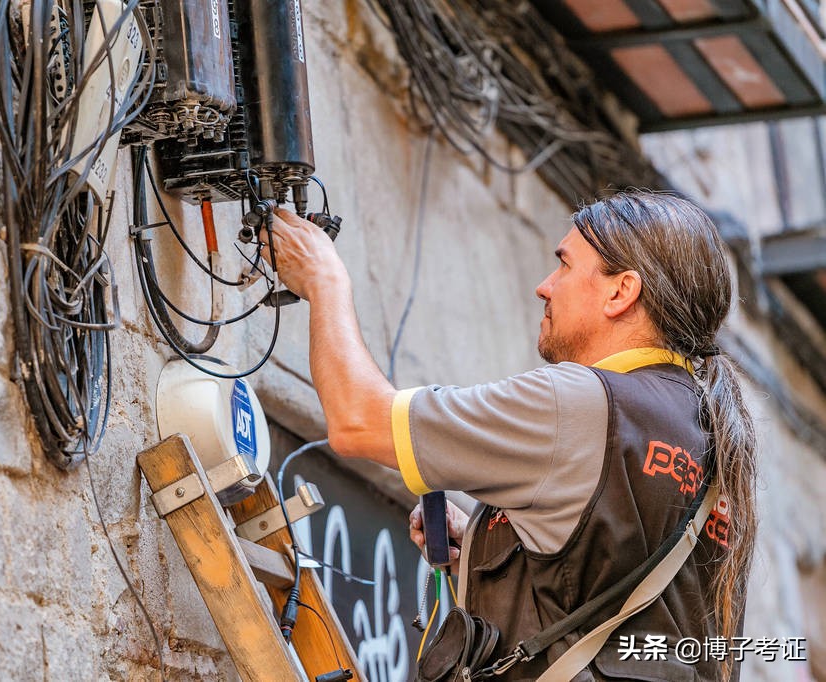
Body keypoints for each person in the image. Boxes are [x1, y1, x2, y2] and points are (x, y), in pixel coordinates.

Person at [260, 190, 756, 681]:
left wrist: (325, 281)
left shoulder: (581, 402)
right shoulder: (706, 429)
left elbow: (358, 421)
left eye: (564, 266)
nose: (545, 286)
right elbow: (605, 600)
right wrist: (484, 546)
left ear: (620, 292)